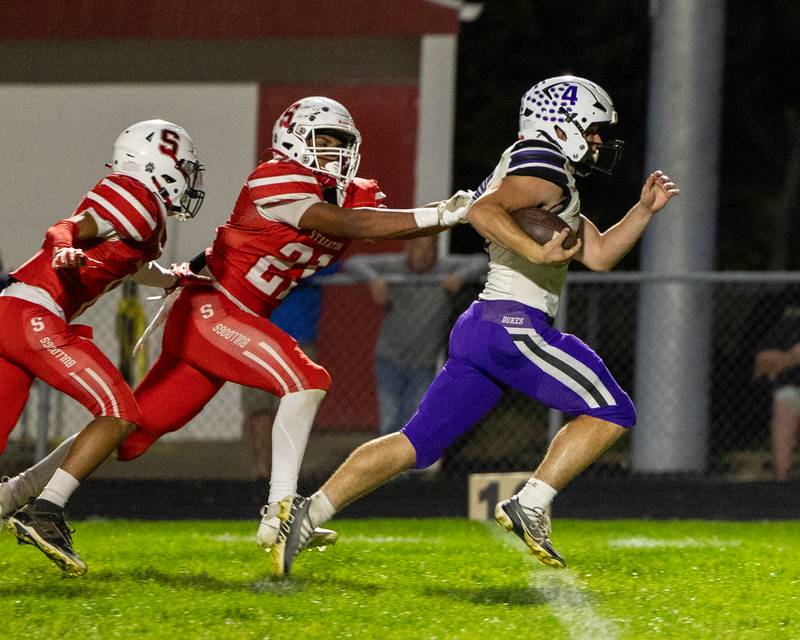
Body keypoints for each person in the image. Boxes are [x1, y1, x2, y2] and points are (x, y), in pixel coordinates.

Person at [3, 97, 471, 575]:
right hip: (216, 310)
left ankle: (15, 494)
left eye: (339, 144)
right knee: (306, 379)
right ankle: (284, 512)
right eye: (322, 141)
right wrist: (441, 217)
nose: (332, 153)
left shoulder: (352, 193)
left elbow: (379, 225)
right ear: (291, 140)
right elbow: (348, 225)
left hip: (217, 314)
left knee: (130, 433)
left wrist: (455, 210)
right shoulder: (276, 176)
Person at [272, 75, 681, 576]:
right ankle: (530, 502)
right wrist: (533, 249)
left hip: (484, 325)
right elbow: (484, 211)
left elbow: (598, 255)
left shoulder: (549, 174)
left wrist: (642, 211)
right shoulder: (542, 162)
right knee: (612, 410)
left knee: (414, 444)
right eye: (592, 129)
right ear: (563, 122)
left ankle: (307, 515)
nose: (597, 141)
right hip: (515, 322)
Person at [1, 119, 207, 575]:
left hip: (15, 314)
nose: (188, 181)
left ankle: (23, 503)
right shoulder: (134, 195)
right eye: (183, 168)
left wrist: (173, 277)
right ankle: (46, 511)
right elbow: (66, 227)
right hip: (32, 313)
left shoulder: (142, 213)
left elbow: (132, 263)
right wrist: (62, 248)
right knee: (120, 411)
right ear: (156, 162)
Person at [345, 237, 485, 436]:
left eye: (429, 249)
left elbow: (482, 261)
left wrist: (461, 276)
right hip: (389, 359)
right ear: (408, 248)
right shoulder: (394, 265)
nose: (423, 255)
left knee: (413, 425)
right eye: (418, 248)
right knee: (390, 422)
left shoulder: (444, 267)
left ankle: (407, 467)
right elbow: (352, 262)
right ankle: (389, 467)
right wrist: (373, 279)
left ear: (436, 251)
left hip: (424, 364)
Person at [240, 263, 338, 480]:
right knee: (259, 408)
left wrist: (289, 269)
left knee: (295, 410)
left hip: (300, 339)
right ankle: (263, 473)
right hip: (258, 335)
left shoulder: (316, 249)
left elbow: (331, 267)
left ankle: (286, 476)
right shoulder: (263, 244)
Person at [753, 302, 800, 480]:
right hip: (794, 388)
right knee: (785, 401)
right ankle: (782, 477)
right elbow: (762, 363)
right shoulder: (791, 323)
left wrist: (782, 360)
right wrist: (792, 357)